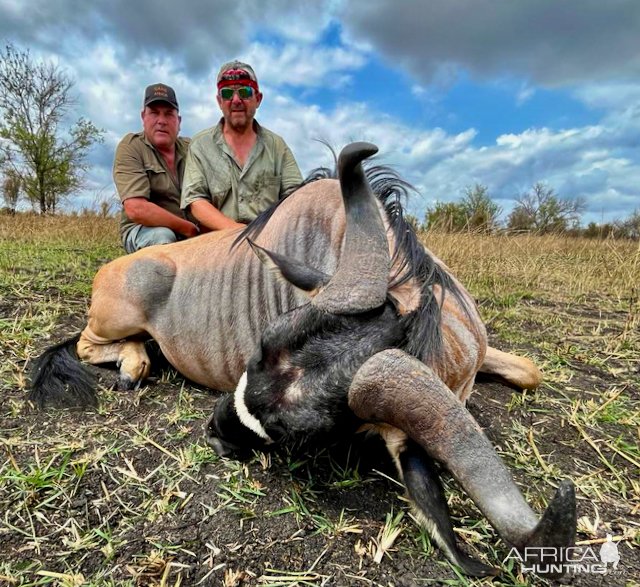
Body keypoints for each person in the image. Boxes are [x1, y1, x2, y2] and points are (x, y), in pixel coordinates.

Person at [181, 60, 303, 231]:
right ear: (219, 101)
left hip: (269, 240)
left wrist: (268, 236)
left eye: (245, 92)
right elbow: (195, 201)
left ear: (258, 99)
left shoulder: (277, 146)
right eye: (228, 93)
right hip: (219, 242)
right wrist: (240, 234)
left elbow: (296, 197)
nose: (236, 100)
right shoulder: (200, 145)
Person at [113, 83, 199, 253]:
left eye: (169, 114)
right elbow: (136, 209)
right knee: (163, 237)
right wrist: (189, 229)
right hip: (144, 230)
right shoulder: (131, 146)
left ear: (179, 121)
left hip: (191, 234)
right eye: (154, 113)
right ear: (143, 117)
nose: (161, 121)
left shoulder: (193, 148)